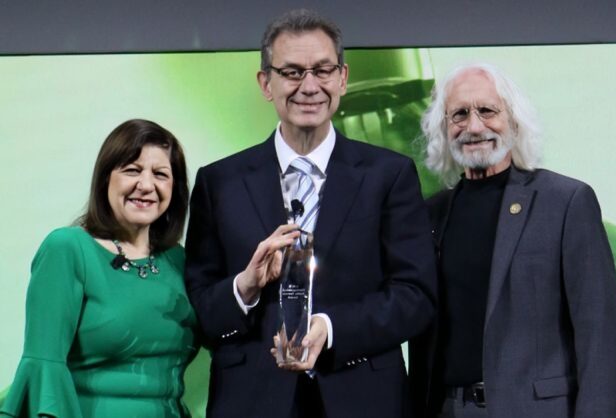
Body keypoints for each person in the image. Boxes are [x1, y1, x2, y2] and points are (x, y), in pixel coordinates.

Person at [183, 9, 436, 418]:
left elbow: (416, 296)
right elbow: (199, 309)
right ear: (266, 83)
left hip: (364, 397)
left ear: (343, 78)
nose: (310, 86)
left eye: (322, 70)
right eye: (292, 72)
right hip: (251, 401)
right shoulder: (219, 182)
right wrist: (244, 287)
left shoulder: (389, 175)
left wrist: (331, 329)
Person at [409, 63, 616, 417]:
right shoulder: (429, 214)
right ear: (443, 128)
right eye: (460, 114)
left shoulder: (565, 202)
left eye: (487, 111)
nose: (474, 126)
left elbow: (602, 335)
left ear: (513, 120)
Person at [0, 119, 196, 417]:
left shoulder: (178, 260)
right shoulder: (67, 248)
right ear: (106, 179)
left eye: (160, 174)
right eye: (132, 170)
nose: (146, 185)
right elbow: (44, 365)